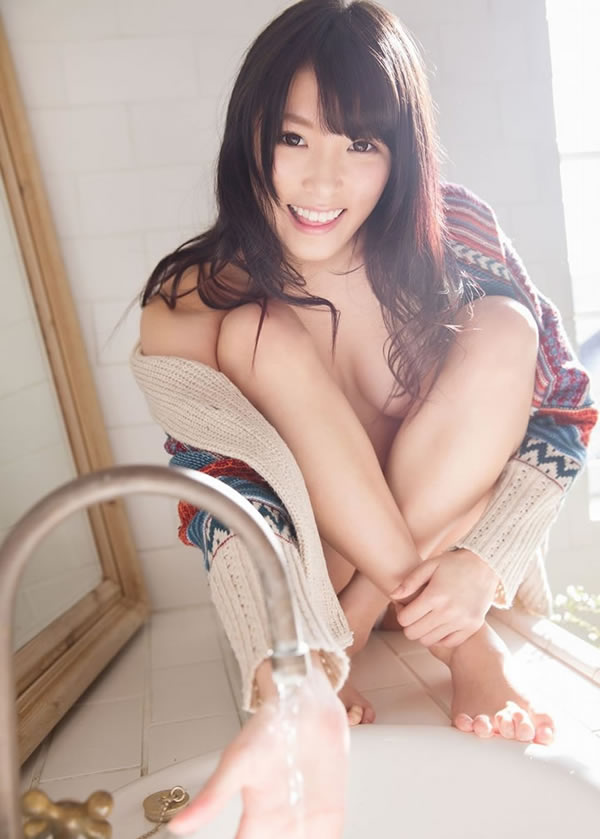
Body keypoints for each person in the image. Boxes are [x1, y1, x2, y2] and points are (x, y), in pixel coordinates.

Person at [130, 0, 598, 835]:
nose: (323, 182)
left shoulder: (455, 231)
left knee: (505, 329)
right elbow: (222, 490)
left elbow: (562, 403)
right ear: (250, 136)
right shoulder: (196, 299)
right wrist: (288, 658)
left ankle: (426, 630)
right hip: (312, 586)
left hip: (448, 573)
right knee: (259, 334)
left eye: (361, 145)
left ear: (401, 153)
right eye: (294, 138)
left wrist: (482, 564)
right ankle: (400, 637)